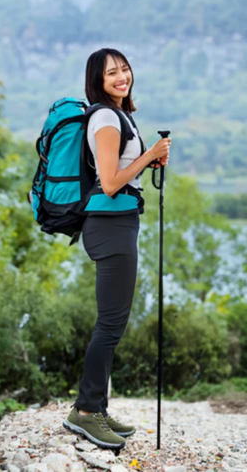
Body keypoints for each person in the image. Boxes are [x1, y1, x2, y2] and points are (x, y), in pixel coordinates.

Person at [62, 48, 171, 450]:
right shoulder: (106, 117)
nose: (121, 76)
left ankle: (96, 408)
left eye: (124, 68)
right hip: (109, 226)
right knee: (109, 325)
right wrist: (149, 155)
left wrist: (148, 162)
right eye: (111, 72)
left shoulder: (120, 115)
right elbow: (109, 183)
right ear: (98, 79)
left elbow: (122, 176)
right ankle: (86, 413)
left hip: (119, 224)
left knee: (113, 324)